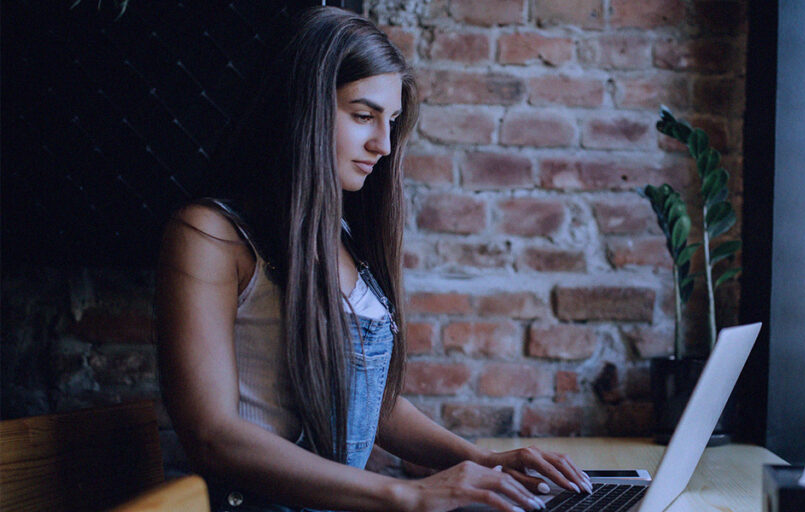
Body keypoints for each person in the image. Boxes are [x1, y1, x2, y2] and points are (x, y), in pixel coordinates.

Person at [155, 7, 591, 512]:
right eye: (363, 116)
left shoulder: (340, 233)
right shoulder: (209, 234)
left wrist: (481, 460)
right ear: (301, 108)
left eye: (392, 122)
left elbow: (368, 405)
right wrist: (406, 494)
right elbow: (214, 436)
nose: (383, 145)